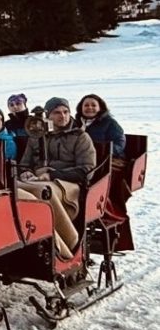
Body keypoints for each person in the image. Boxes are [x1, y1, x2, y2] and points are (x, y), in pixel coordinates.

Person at [17, 96, 96, 260]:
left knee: (44, 192)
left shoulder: (80, 137)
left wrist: (52, 174)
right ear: (48, 116)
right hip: (37, 180)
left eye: (66, 112)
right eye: (57, 113)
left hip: (70, 184)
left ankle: (69, 242)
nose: (63, 116)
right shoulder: (37, 136)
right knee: (14, 189)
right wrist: (25, 171)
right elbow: (24, 163)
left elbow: (86, 170)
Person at [73, 93, 126, 158]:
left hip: (107, 159)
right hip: (80, 158)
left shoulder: (110, 123)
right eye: (86, 105)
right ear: (81, 108)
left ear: (100, 108)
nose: (90, 107)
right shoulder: (75, 123)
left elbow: (119, 143)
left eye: (93, 105)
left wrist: (103, 152)